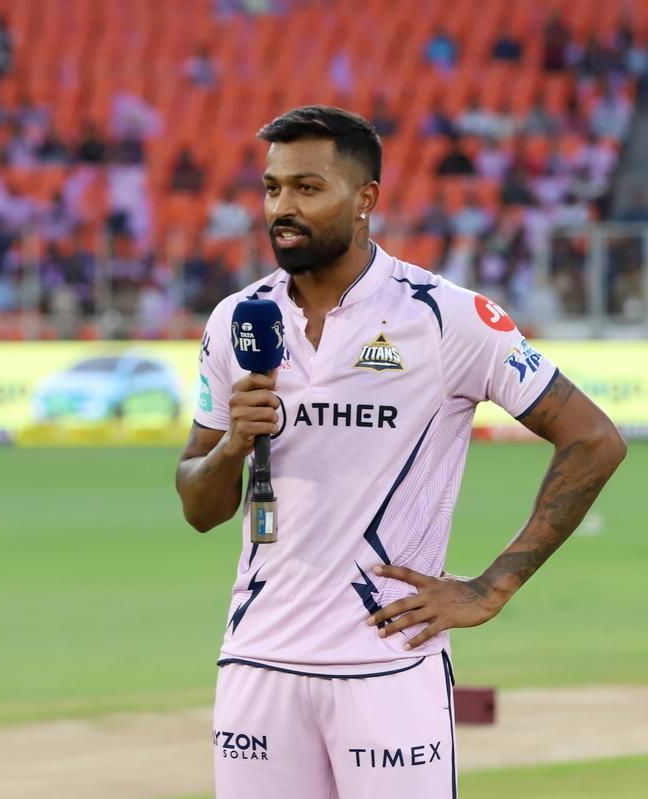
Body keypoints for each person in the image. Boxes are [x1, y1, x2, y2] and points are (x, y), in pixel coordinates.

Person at [176, 105, 626, 798]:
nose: (282, 208)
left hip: (389, 665)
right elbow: (199, 507)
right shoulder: (238, 320)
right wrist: (233, 446)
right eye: (271, 188)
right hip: (258, 664)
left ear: (365, 201)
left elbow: (594, 440)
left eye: (306, 187)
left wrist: (492, 585)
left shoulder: (444, 317)